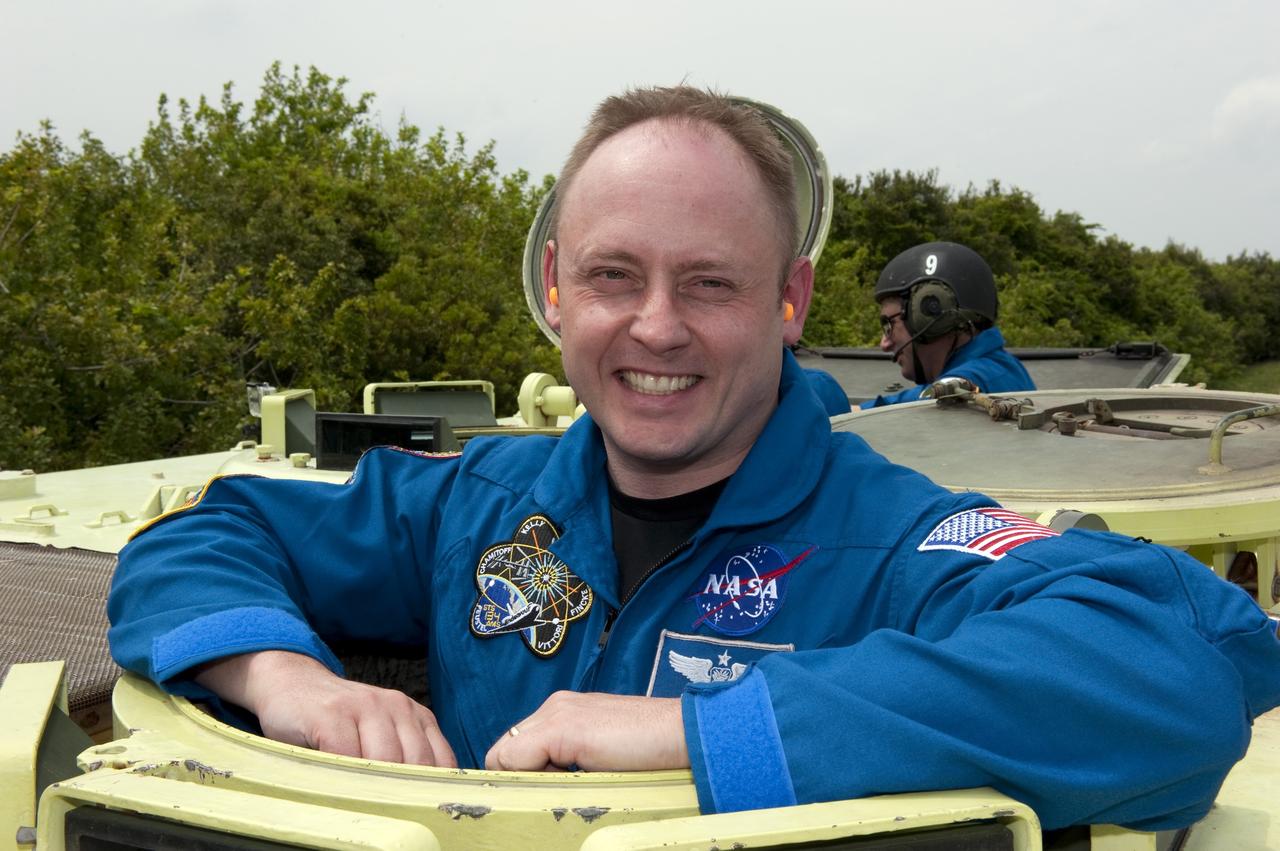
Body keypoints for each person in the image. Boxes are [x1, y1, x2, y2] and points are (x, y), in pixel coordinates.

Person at [107, 86, 1280, 832]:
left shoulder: (889, 541)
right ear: (556, 287)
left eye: (709, 282)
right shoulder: (475, 500)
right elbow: (204, 535)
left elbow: (1189, 655)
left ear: (788, 298)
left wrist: (708, 730)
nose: (656, 327)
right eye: (613, 276)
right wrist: (287, 679)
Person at [860, 241, 1034, 408]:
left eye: (888, 324)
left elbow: (934, 400)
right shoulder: (1001, 368)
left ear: (929, 313)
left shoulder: (964, 387)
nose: (884, 344)